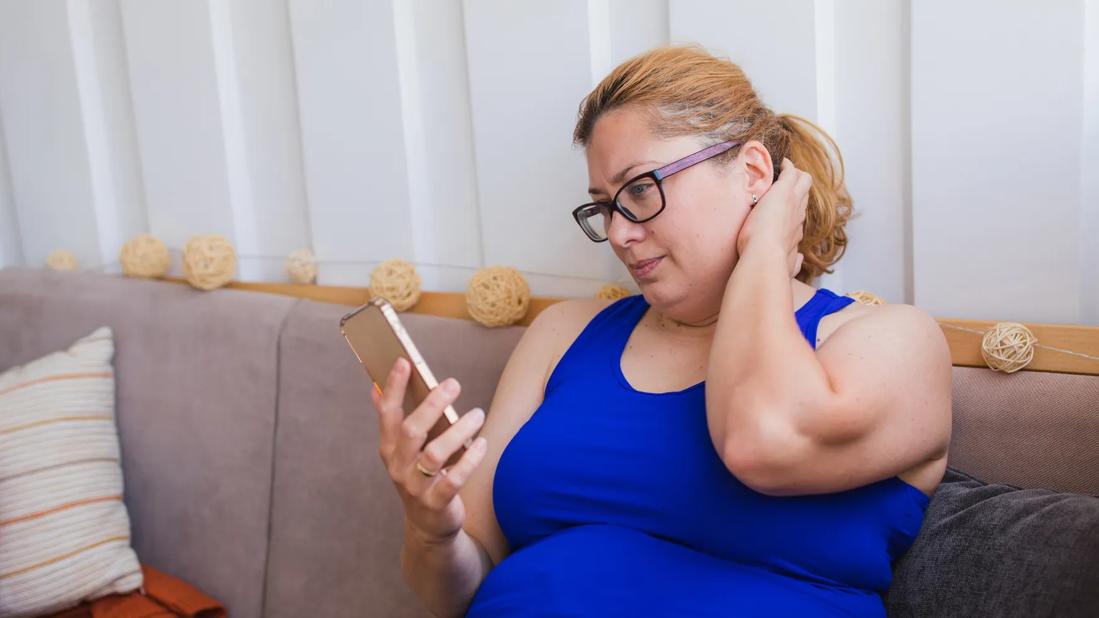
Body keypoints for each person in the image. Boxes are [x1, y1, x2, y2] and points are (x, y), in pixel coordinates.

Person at [370, 45, 952, 617]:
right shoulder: (565, 333)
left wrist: (766, 253)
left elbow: (760, 444)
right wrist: (432, 533)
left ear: (753, 173)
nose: (619, 235)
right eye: (603, 207)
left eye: (640, 190)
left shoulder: (892, 342)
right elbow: (456, 594)